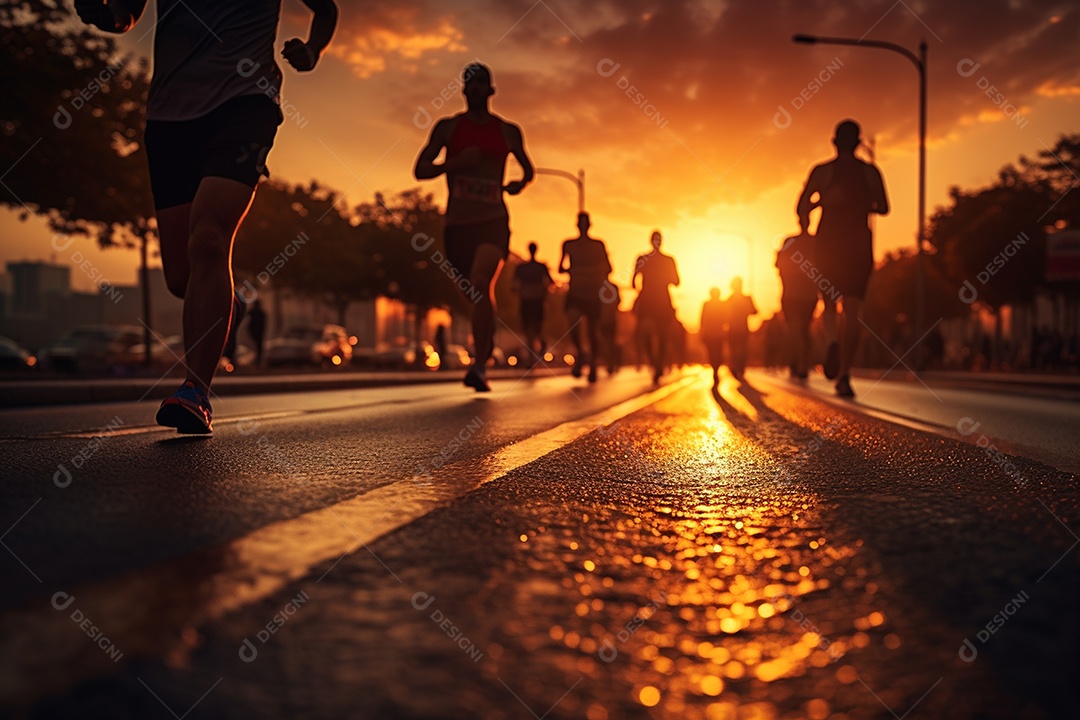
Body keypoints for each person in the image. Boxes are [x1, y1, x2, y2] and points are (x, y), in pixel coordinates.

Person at [76, 0, 339, 433]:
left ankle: (195, 391)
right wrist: (102, 13)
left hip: (245, 104)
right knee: (182, 277)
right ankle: (224, 302)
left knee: (210, 241)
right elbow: (125, 13)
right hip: (169, 118)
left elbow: (325, 8)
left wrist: (313, 49)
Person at [414, 64, 534, 392]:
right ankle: (484, 347)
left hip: (493, 221)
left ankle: (480, 366)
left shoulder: (508, 131)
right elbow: (420, 170)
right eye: (472, 83)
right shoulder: (448, 129)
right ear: (464, 90)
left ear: (491, 90)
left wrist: (517, 185)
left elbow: (528, 169)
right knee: (473, 296)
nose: (478, 88)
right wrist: (453, 164)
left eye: (483, 83)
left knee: (481, 283)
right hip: (457, 226)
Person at [797, 119, 889, 397]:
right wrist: (862, 204)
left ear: (834, 143)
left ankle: (831, 343)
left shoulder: (822, 172)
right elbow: (884, 207)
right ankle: (845, 375)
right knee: (853, 311)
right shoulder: (870, 172)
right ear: (859, 144)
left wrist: (822, 202)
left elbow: (801, 207)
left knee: (827, 303)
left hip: (828, 246)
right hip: (859, 245)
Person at [558, 213, 612, 383]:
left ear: (590, 225)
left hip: (593, 293)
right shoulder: (568, 244)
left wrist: (593, 272)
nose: (582, 226)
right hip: (575, 291)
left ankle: (593, 365)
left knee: (592, 330)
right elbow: (560, 267)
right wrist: (570, 270)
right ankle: (581, 353)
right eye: (580, 223)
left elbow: (608, 268)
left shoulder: (598, 245)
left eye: (585, 223)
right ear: (576, 225)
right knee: (573, 322)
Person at [632, 231, 680, 384]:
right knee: (645, 334)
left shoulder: (668, 260)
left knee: (663, 337)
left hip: (661, 302)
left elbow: (677, 281)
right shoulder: (642, 258)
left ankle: (658, 364)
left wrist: (663, 277)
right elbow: (633, 280)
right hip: (648, 301)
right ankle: (655, 363)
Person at [775, 220, 818, 380]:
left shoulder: (793, 242)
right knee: (801, 330)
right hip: (801, 294)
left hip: (800, 294)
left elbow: (779, 265)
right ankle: (800, 362)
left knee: (799, 329)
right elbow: (780, 265)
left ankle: (801, 363)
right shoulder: (809, 241)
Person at [512, 242, 553, 361]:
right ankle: (532, 354)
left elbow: (513, 285)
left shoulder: (523, 268)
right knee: (530, 328)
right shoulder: (535, 267)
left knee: (533, 328)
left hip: (533, 300)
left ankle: (537, 349)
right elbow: (551, 282)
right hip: (531, 300)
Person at [723, 276, 757, 380]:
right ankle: (739, 368)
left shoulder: (730, 299)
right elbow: (754, 311)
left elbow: (754, 311)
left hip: (736, 329)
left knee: (737, 349)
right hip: (739, 328)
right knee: (740, 349)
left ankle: (737, 367)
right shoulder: (745, 298)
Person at [699, 287, 726, 387]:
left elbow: (702, 320)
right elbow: (702, 320)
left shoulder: (710, 304)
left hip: (715, 334)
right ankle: (715, 370)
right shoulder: (719, 304)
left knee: (715, 354)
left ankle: (715, 370)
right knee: (716, 354)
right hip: (714, 334)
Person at [247, 298, 267, 368]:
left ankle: (257, 362)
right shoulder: (260, 313)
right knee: (257, 348)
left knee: (257, 348)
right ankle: (257, 362)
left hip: (255, 332)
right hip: (256, 332)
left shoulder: (256, 313)